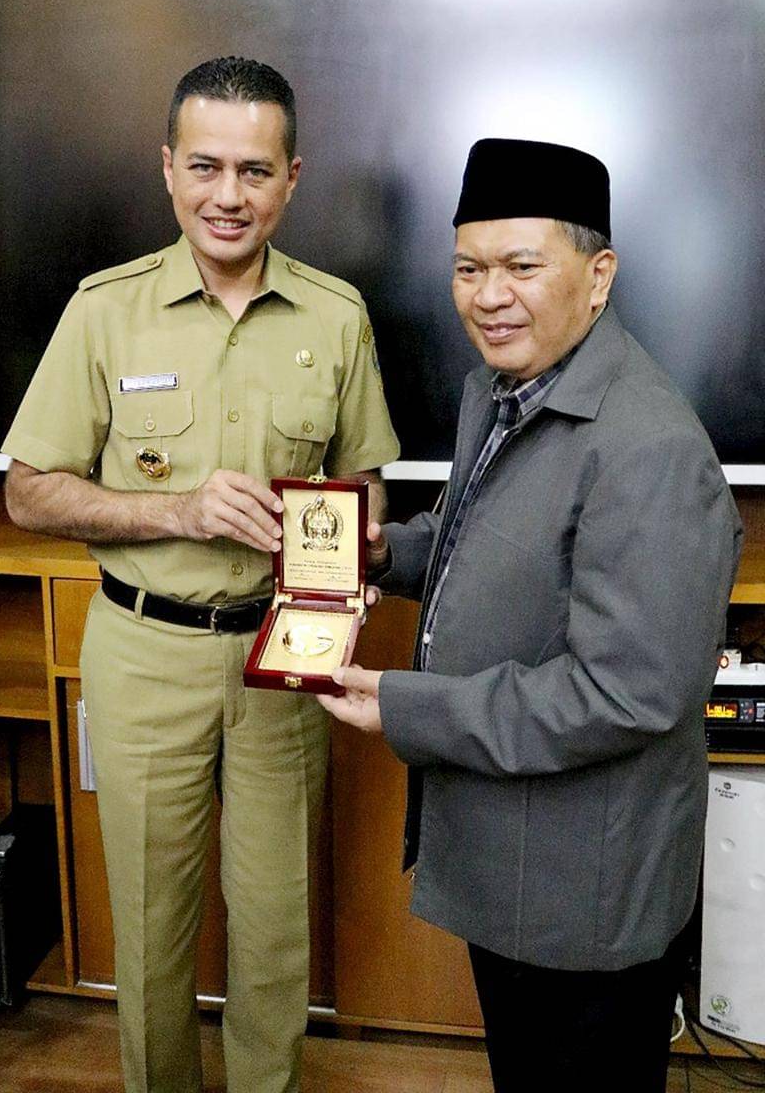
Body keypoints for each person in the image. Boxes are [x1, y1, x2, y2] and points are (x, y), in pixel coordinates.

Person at [2, 55, 399, 1093]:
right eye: (207, 167)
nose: (229, 195)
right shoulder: (105, 310)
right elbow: (29, 492)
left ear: (291, 179)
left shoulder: (336, 315)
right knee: (149, 926)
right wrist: (174, 510)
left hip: (282, 657)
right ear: (168, 169)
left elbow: (363, 482)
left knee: (274, 929)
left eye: (255, 171)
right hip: (144, 654)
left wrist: (347, 547)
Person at [318, 138, 742, 1092]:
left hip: (584, 900)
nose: (489, 296)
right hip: (517, 874)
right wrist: (385, 555)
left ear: (599, 276)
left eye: (520, 266)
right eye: (468, 268)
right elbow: (490, 538)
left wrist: (409, 706)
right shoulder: (503, 388)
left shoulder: (650, 450)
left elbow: (625, 694)